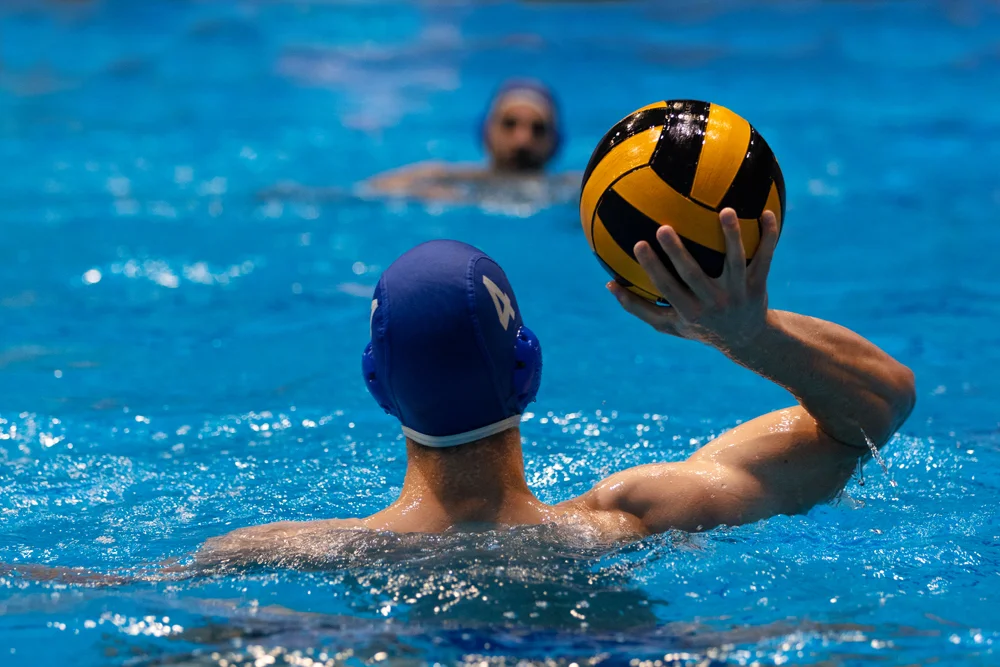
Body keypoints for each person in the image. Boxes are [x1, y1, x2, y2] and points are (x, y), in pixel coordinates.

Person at [196, 208, 915, 568]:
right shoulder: (637, 519)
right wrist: (747, 334)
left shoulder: (273, 551)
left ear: (377, 386)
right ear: (528, 370)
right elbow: (877, 412)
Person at [361, 78, 573, 202]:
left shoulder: (572, 191)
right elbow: (368, 190)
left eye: (538, 129)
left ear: (555, 142)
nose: (523, 140)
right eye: (509, 124)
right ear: (486, 132)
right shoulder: (446, 179)